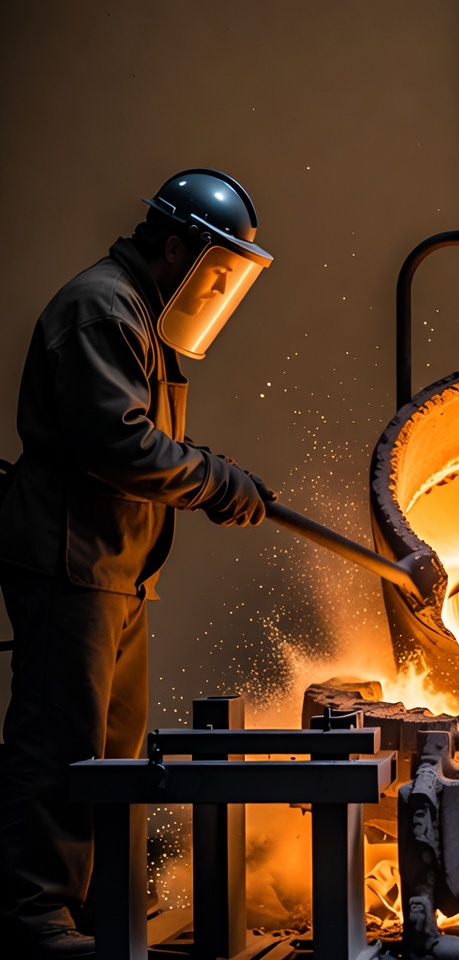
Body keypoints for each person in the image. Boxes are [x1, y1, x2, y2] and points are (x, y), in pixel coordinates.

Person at [0, 168, 277, 959]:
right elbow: (118, 443)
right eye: (213, 267)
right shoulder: (101, 307)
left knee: (112, 753)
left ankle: (89, 908)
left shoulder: (139, 316)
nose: (215, 286)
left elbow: (145, 446)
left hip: (115, 568)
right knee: (61, 743)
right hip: (69, 561)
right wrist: (217, 482)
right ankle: (35, 917)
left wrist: (208, 476)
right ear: (175, 246)